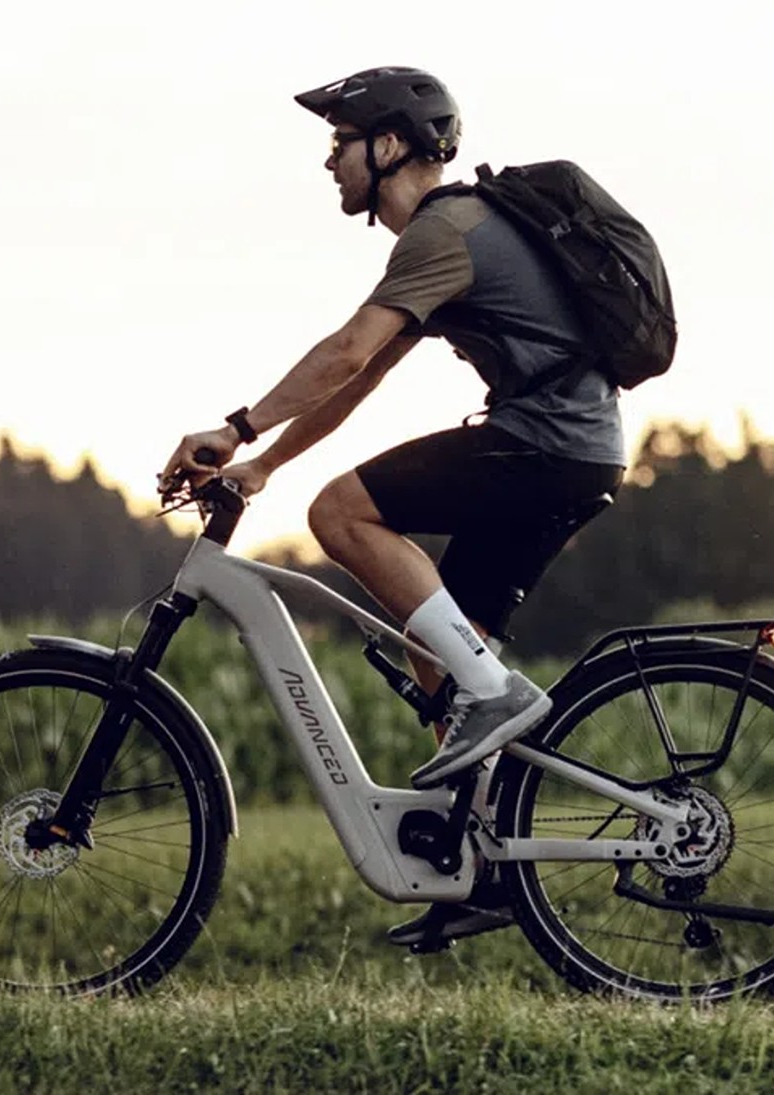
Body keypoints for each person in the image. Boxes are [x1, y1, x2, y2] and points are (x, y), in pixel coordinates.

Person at [157, 66, 628, 946]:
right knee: (436, 645)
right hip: (572, 449)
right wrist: (262, 465)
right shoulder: (454, 235)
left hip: (546, 444)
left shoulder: (446, 230)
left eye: (339, 143)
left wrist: (235, 425)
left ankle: (491, 693)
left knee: (340, 515)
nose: (329, 161)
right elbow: (362, 377)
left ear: (388, 145)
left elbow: (343, 351)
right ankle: (480, 868)